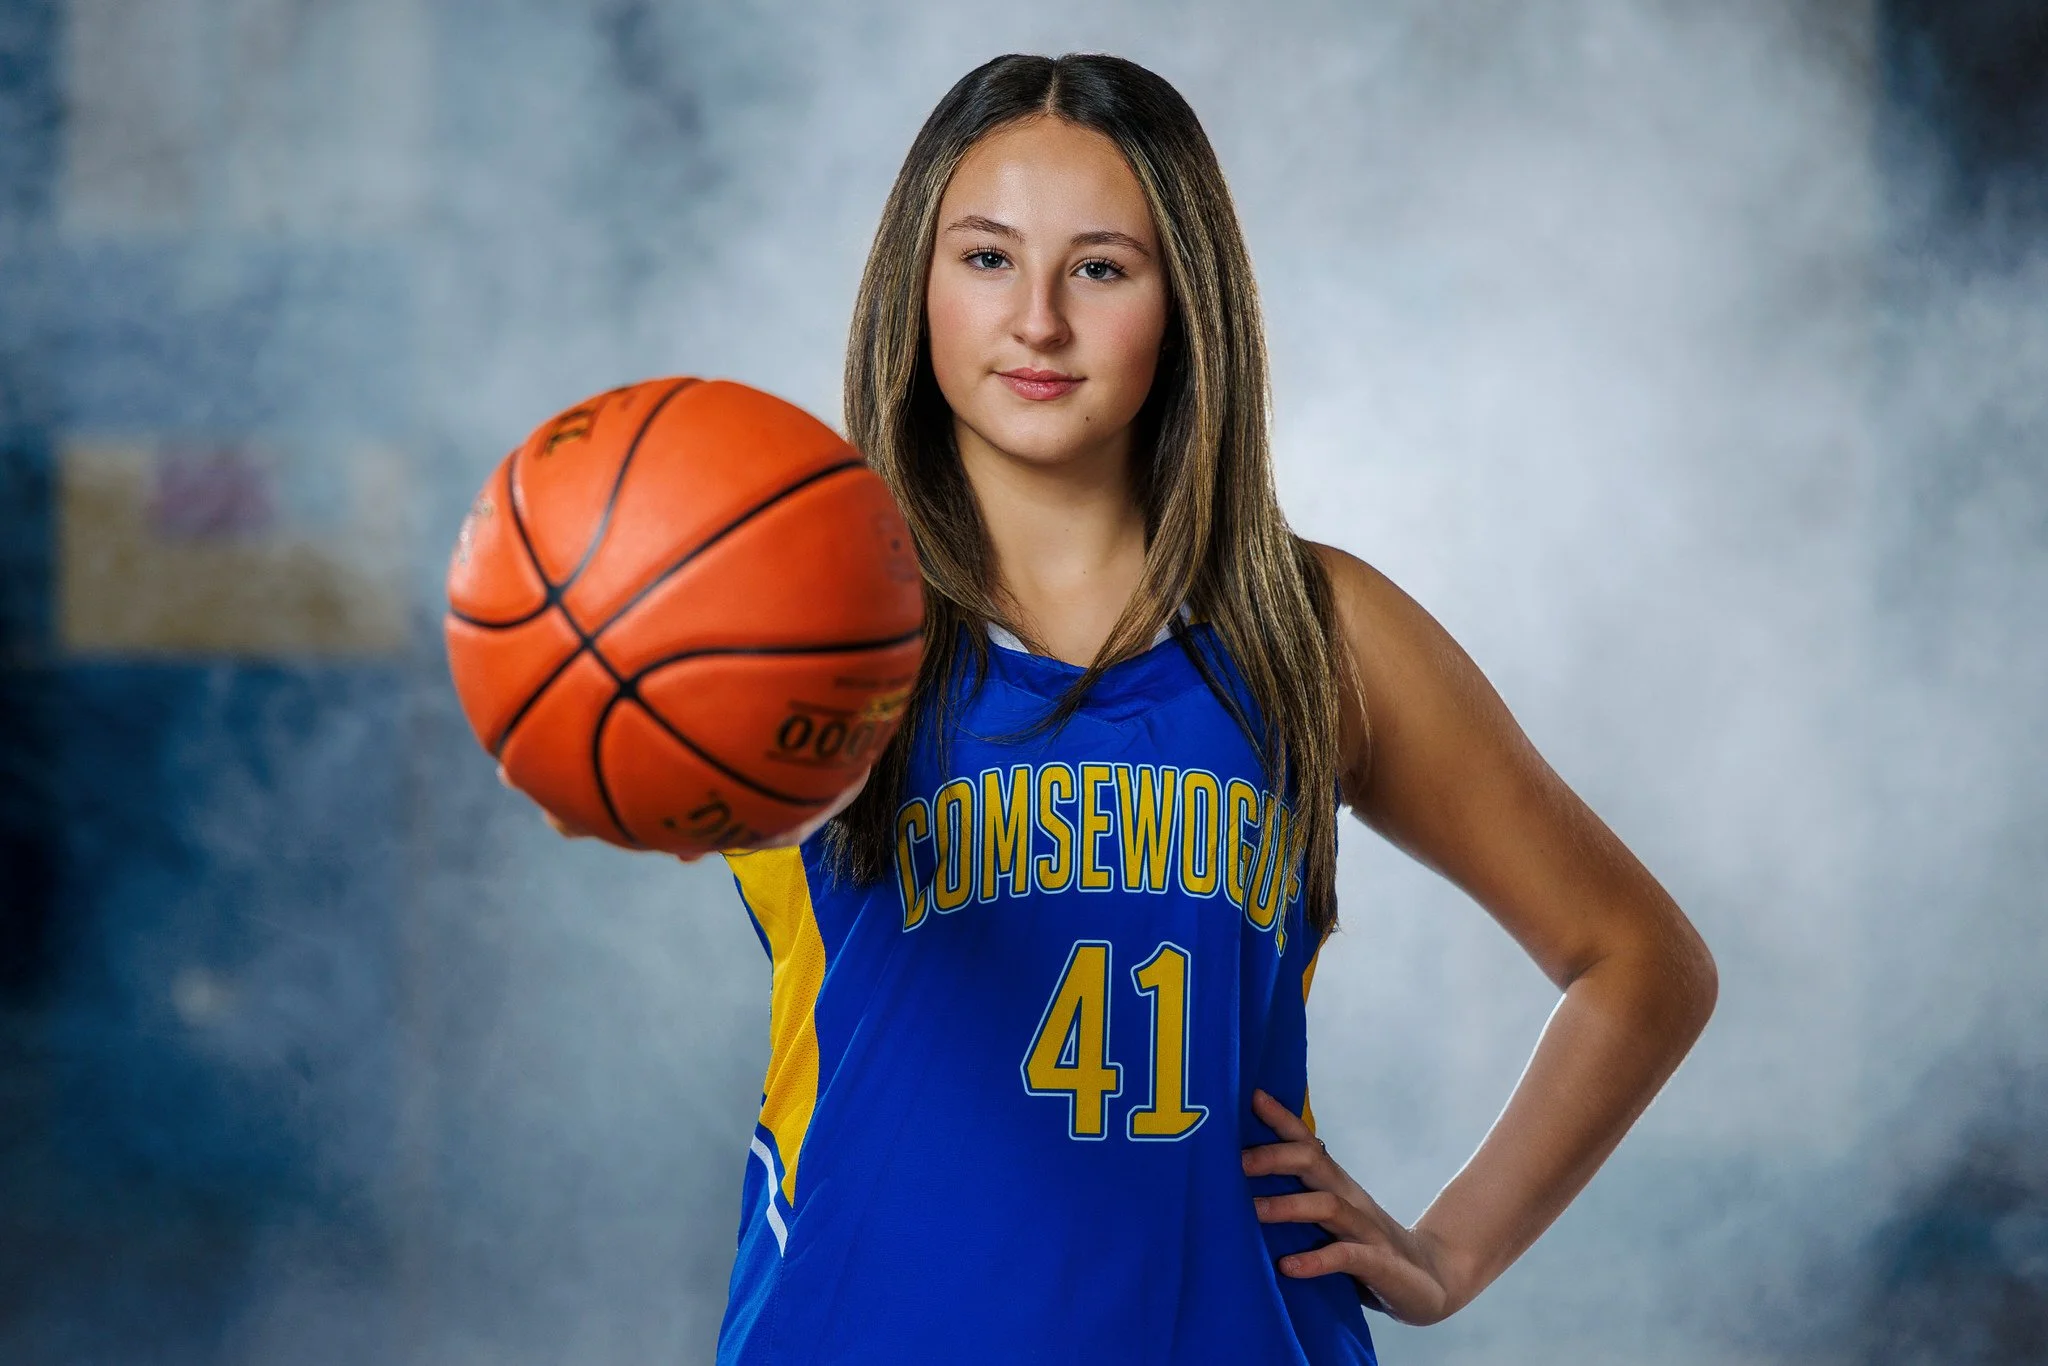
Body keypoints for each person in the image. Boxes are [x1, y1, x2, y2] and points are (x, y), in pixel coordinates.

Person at [518, 51, 1717, 1365]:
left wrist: (1451, 1248)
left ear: (1185, 301)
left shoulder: (1312, 633)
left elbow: (1641, 960)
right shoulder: (793, 611)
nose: (1038, 319)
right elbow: (598, 728)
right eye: (985, 259)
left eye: (1099, 266)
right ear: (913, 288)